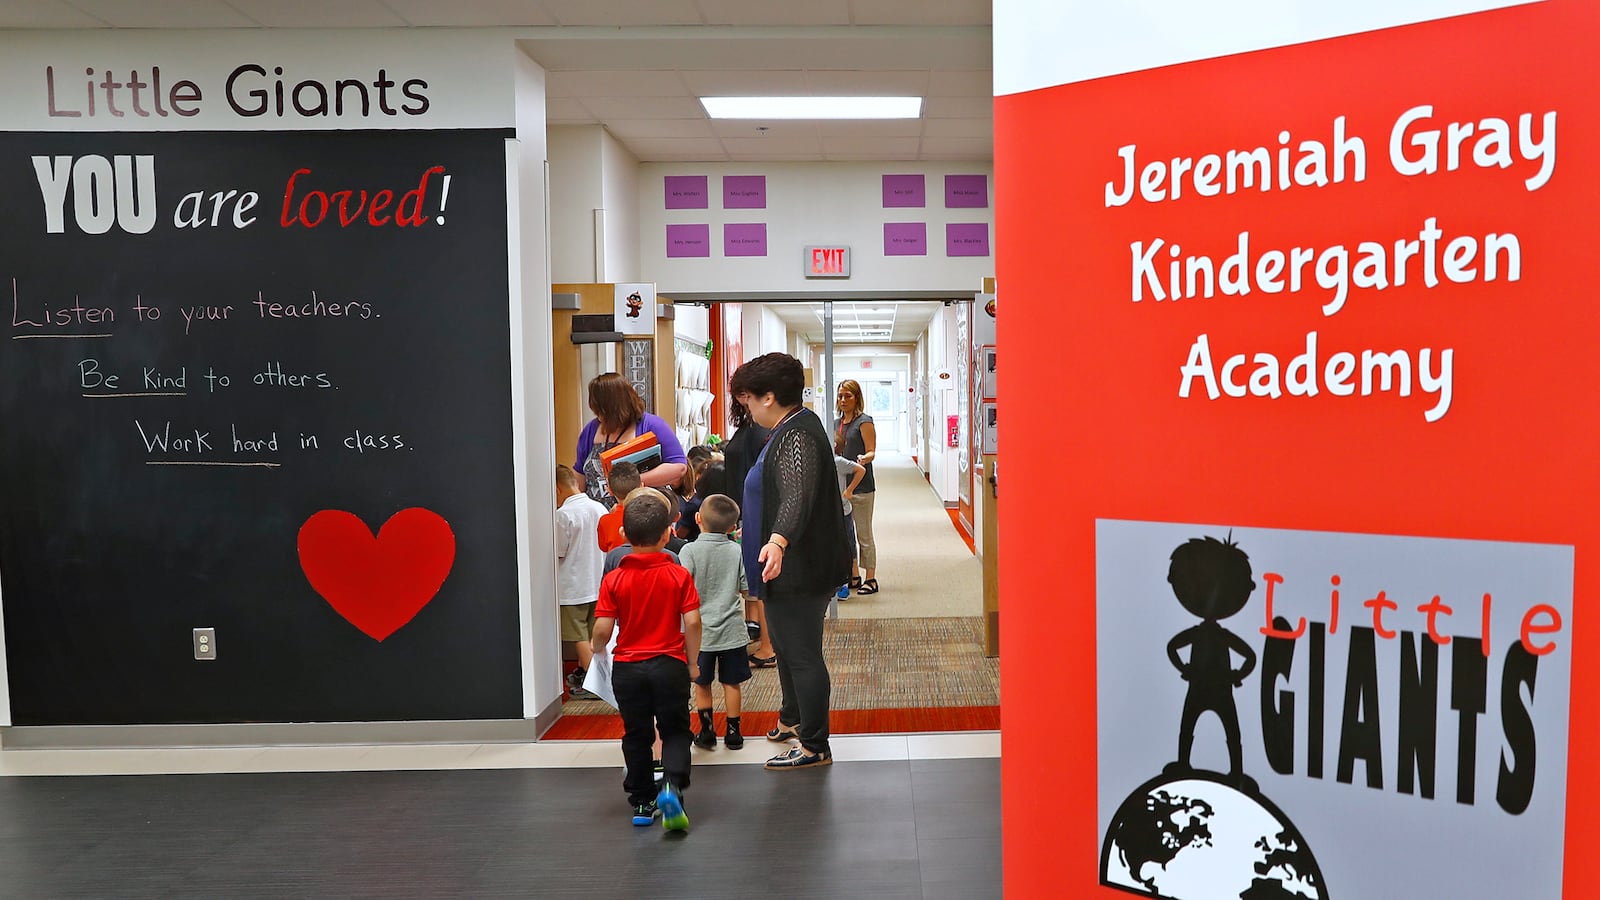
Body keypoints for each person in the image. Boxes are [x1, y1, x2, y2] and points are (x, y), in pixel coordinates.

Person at [732, 352, 851, 771]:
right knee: (786, 646)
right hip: (787, 568)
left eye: (749, 400)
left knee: (801, 654)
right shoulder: (792, 426)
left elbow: (797, 495)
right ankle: (793, 717)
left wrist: (778, 539)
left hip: (797, 569)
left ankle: (815, 744)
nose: (745, 407)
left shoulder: (795, 434)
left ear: (769, 398)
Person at [592, 496, 702, 830]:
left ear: (624, 534)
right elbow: (694, 622)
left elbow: (601, 628)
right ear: (667, 535)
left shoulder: (614, 579)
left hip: (628, 668)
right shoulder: (677, 574)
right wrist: (693, 663)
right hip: (669, 663)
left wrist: (598, 649)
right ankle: (671, 787)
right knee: (676, 732)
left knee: (636, 734)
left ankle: (642, 801)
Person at [681, 494, 751, 751]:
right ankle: (734, 732)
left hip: (700, 633)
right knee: (731, 683)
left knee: (702, 683)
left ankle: (707, 731)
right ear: (733, 527)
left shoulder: (689, 551)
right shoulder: (735, 550)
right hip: (732, 630)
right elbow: (745, 588)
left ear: (698, 519)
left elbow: (683, 586)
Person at [719, 401, 777, 668]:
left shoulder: (762, 431)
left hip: (753, 513)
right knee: (754, 578)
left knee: (759, 576)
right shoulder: (752, 428)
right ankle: (760, 633)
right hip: (747, 511)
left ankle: (769, 645)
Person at [575, 372, 688, 508]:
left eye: (602, 411)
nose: (599, 417)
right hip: (597, 517)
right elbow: (580, 473)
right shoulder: (591, 429)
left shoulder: (652, 425)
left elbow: (679, 467)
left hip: (640, 514)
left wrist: (631, 481)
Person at [555, 465, 608, 701]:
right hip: (597, 582)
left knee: (578, 637)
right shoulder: (599, 508)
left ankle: (595, 683)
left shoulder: (563, 515)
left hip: (573, 586)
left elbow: (558, 551)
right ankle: (587, 672)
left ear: (557, 491)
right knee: (593, 635)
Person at [835, 379, 879, 595]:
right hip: (841, 487)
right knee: (846, 535)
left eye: (848, 396)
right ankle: (853, 575)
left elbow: (872, 450)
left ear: (857, 398)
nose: (843, 400)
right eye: (841, 396)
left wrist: (865, 457)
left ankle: (871, 578)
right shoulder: (836, 423)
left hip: (861, 486)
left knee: (863, 533)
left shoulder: (864, 422)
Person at [832, 454, 868, 601]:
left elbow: (860, 470)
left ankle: (847, 582)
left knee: (847, 545)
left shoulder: (838, 462)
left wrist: (849, 491)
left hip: (843, 510)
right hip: (827, 511)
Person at [596, 461, 641, 553]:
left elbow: (603, 547)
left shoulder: (605, 521)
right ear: (641, 486)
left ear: (609, 490)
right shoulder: (649, 514)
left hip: (616, 564)